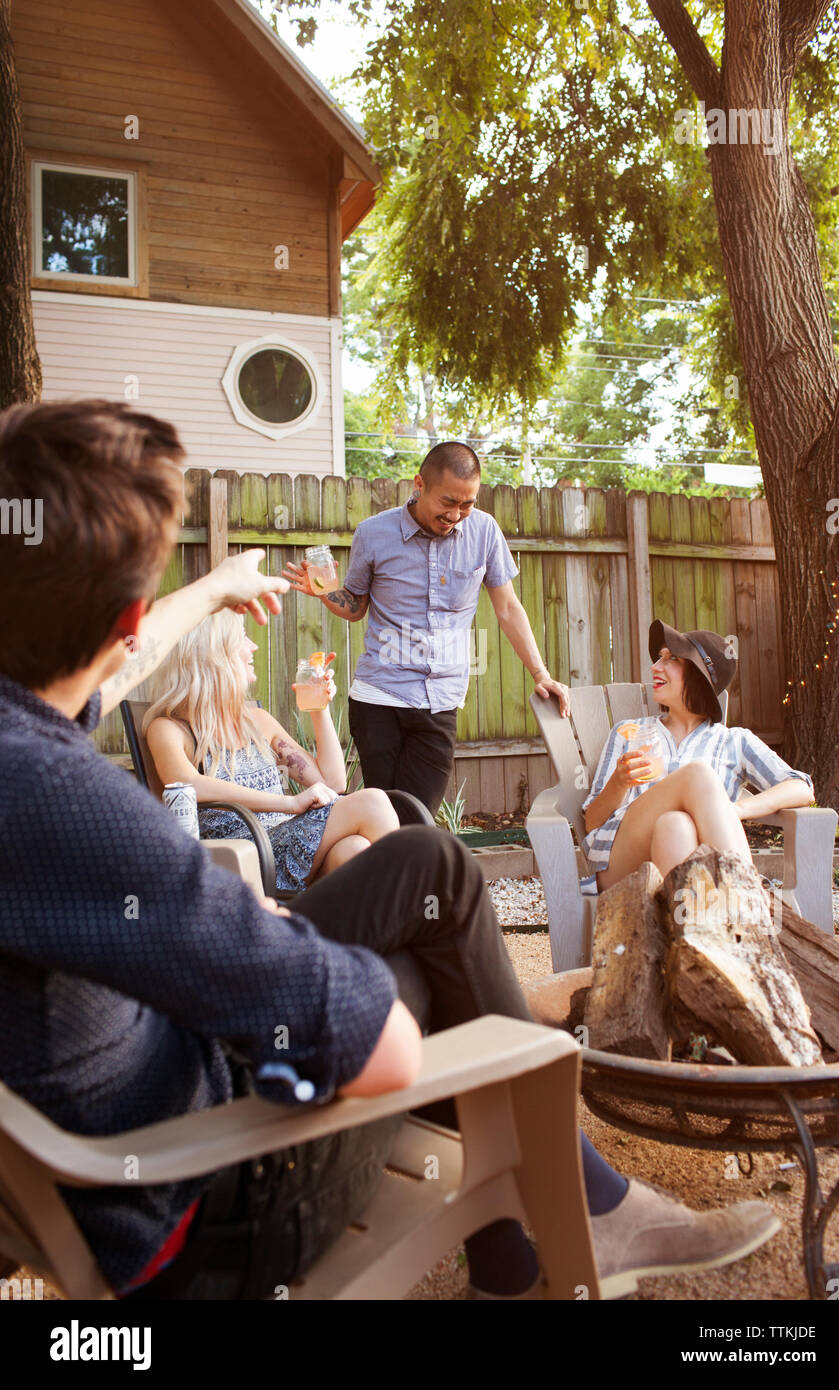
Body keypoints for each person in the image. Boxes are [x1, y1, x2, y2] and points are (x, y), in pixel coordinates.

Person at [0, 401, 780, 1301]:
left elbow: (112, 664)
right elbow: (383, 1059)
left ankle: (517, 1251)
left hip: (110, 1131)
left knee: (425, 864)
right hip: (208, 1196)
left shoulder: (28, 739)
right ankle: (581, 1210)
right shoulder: (79, 815)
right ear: (123, 619)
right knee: (436, 964)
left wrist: (211, 591)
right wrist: (271, 933)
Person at [282, 440, 571, 816]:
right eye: (448, 502)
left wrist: (541, 673)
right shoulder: (373, 533)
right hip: (378, 699)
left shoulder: (484, 532)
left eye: (467, 504)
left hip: (441, 701)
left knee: (418, 819)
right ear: (419, 484)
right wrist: (324, 594)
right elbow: (355, 607)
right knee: (381, 819)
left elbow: (509, 608)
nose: (457, 514)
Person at [144, 610, 399, 891]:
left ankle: (370, 930)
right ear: (213, 653)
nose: (253, 646)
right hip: (245, 853)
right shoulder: (170, 728)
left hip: (287, 844)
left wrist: (318, 709)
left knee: (355, 849)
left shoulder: (257, 722)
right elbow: (188, 784)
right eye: (242, 638)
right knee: (373, 802)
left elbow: (333, 783)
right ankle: (421, 917)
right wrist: (289, 804)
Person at [583, 620, 815, 893]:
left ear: (699, 677)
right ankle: (746, 899)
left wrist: (735, 810)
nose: (655, 666)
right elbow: (593, 823)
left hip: (695, 871)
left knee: (675, 824)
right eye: (659, 657)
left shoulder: (734, 741)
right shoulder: (629, 732)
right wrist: (619, 783)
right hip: (622, 866)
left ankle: (690, 930)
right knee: (697, 774)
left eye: (672, 659)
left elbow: (802, 788)